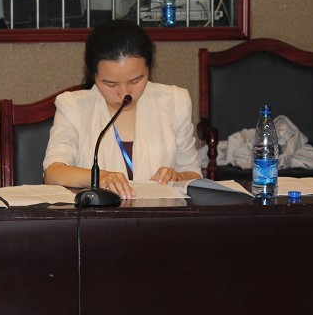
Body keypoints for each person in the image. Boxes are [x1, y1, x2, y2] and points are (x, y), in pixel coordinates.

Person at [43, 20, 201, 198]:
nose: (124, 93)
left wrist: (178, 176)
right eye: (111, 84)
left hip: (159, 213)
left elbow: (194, 173)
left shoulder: (175, 102)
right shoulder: (73, 107)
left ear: (149, 70)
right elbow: (53, 173)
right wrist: (101, 177)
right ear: (94, 75)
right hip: (96, 215)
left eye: (135, 81)